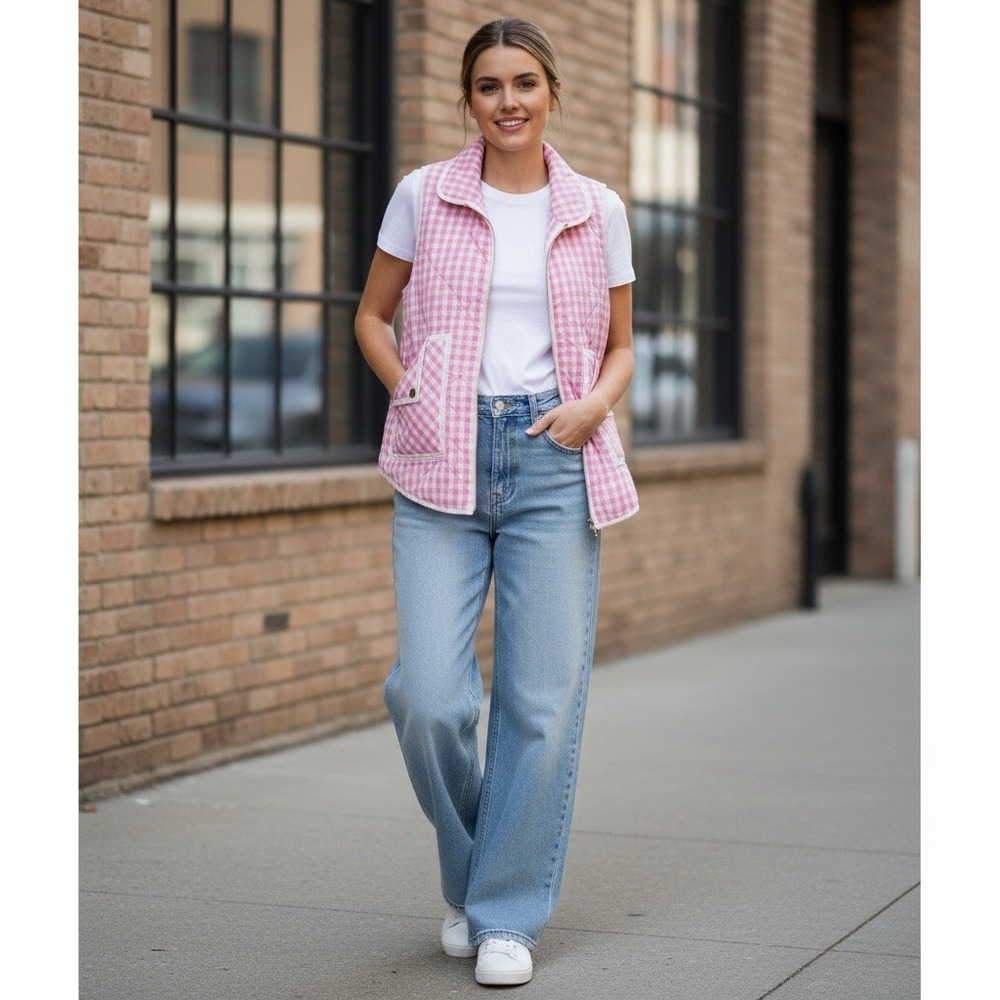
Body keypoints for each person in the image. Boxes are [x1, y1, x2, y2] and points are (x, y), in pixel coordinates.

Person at [354, 16, 639, 987]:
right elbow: (369, 314)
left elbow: (620, 343)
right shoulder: (423, 197)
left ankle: (504, 913)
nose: (507, 100)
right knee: (429, 698)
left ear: (550, 90)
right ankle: (475, 872)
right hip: (442, 459)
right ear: (468, 98)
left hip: (550, 459)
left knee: (538, 703)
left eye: (523, 82)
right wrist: (412, 390)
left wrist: (591, 406)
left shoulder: (595, 206)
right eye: (488, 85)